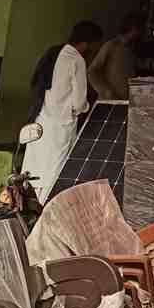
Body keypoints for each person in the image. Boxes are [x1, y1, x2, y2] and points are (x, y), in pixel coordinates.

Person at [22, 20, 103, 203]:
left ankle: (27, 210)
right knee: (54, 174)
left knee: (34, 172)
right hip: (61, 127)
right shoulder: (76, 60)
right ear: (87, 43)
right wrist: (86, 107)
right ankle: (46, 211)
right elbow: (79, 103)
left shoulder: (52, 53)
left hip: (40, 123)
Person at [88, 14, 142, 100]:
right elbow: (92, 71)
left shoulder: (131, 50)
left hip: (124, 102)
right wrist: (106, 91)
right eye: (139, 29)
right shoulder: (111, 45)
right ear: (133, 28)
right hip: (109, 102)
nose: (140, 33)